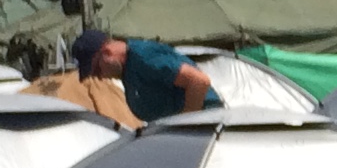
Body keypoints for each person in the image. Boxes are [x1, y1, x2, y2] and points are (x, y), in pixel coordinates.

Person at [26, 29, 211, 129]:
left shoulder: (142, 57)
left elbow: (198, 81)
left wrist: (185, 127)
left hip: (204, 128)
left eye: (97, 69)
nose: (98, 76)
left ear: (107, 52)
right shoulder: (128, 73)